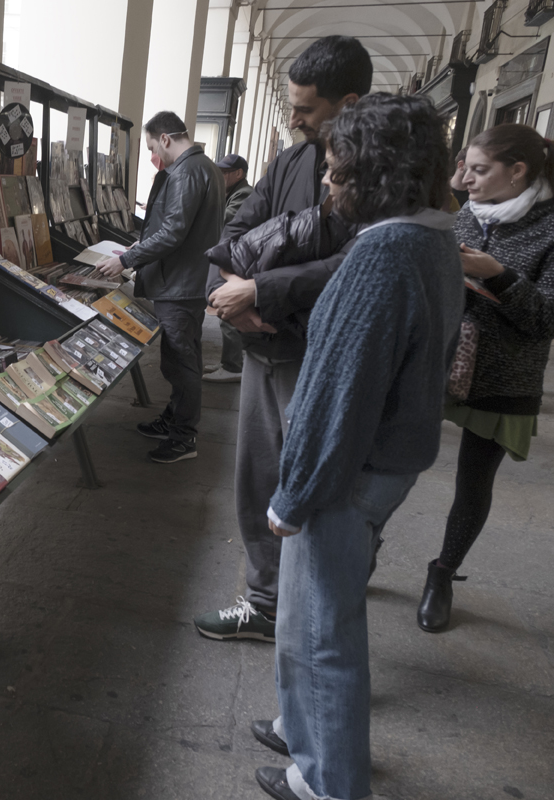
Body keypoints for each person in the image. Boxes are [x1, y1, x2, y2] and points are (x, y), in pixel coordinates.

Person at [252, 93, 463, 800]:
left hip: (350, 473)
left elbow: (338, 393)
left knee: (323, 636)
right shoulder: (434, 239)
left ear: (379, 177)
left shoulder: (384, 254)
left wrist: (294, 493)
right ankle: (303, 732)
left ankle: (327, 782)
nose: (326, 183)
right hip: (389, 459)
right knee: (311, 619)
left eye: (339, 172)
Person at [193, 35, 373, 642]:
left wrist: (260, 293)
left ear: (348, 102)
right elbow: (240, 226)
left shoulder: (376, 169)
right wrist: (236, 298)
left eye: (307, 109)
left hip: (319, 355)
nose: (293, 120)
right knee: (256, 477)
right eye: (291, 106)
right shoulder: (293, 159)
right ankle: (266, 600)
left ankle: (320, 595)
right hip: (263, 347)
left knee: (315, 488)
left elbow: (359, 261)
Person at [416, 124, 554, 633]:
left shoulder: (550, 228)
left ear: (517, 171)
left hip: (502, 374)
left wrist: (498, 274)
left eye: (477, 170)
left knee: (473, 482)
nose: (463, 179)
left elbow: (547, 320)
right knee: (397, 457)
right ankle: (366, 545)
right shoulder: (463, 213)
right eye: (462, 167)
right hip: (438, 360)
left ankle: (443, 574)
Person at [97, 111, 225, 464]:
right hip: (189, 280)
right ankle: (174, 419)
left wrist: (126, 260)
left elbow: (172, 231)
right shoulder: (207, 167)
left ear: (166, 138)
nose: (156, 156)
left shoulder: (186, 172)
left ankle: (184, 437)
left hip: (180, 284)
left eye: (154, 147)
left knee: (181, 362)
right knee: (183, 357)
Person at [204, 153, 253, 384]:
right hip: (235, 258)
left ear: (238, 174)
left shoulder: (244, 193)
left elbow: (224, 220)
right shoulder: (234, 192)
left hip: (238, 261)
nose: (220, 176)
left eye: (224, 172)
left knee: (229, 313)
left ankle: (233, 366)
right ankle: (230, 361)